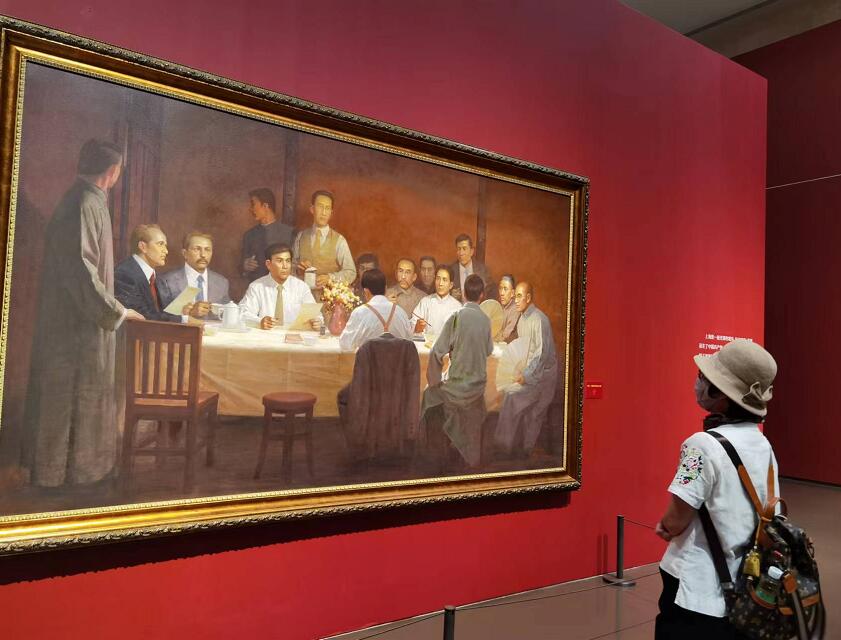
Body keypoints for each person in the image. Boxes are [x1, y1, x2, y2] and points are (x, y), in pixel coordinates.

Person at [23, 139, 143, 487]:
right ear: (113, 171)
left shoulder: (89, 200)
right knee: (66, 397)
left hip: (83, 322)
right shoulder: (83, 203)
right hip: (72, 325)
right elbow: (81, 272)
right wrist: (118, 312)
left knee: (84, 395)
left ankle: (82, 473)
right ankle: (60, 478)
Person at [655, 340, 779, 640]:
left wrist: (666, 526)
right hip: (747, 585)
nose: (699, 382)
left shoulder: (702, 444)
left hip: (697, 588)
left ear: (722, 395)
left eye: (705, 378)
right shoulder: (763, 443)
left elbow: (675, 520)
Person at [419, 274, 494, 468]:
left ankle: (436, 455)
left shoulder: (456, 317)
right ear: (482, 295)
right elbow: (489, 350)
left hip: (456, 388)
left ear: (464, 295)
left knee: (428, 396)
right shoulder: (485, 320)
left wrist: (435, 382)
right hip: (477, 388)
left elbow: (437, 352)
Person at [493, 282, 557, 456]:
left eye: (520, 296)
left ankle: (514, 448)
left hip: (543, 378)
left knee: (512, 397)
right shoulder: (522, 319)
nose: (516, 300)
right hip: (530, 373)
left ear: (528, 298)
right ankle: (505, 445)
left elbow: (541, 355)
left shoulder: (539, 319)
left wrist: (526, 375)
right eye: (515, 296)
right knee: (506, 392)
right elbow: (524, 350)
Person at [239, 243, 322, 330]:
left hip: (293, 336)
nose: (285, 266)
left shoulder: (301, 287)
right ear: (268, 264)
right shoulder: (256, 287)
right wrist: (259, 322)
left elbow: (316, 315)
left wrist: (317, 321)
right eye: (279, 261)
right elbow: (243, 314)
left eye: (288, 261)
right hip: (266, 336)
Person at [115, 224, 185, 323]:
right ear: (143, 247)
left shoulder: (155, 277)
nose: (166, 251)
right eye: (160, 244)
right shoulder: (125, 273)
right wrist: (183, 319)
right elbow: (143, 317)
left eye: (165, 245)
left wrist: (183, 311)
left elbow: (161, 312)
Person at [159, 231, 231, 320]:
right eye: (197, 249)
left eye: (207, 250)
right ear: (185, 253)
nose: (203, 255)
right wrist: (188, 314)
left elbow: (228, 315)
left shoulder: (222, 282)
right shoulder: (167, 281)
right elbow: (161, 318)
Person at [294, 190, 356, 292]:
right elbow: (290, 268)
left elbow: (351, 272)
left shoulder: (339, 240)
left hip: (329, 298)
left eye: (327, 208)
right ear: (312, 209)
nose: (323, 212)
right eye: (320, 206)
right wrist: (298, 270)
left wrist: (330, 278)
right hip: (303, 296)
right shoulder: (301, 237)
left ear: (331, 213)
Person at [339, 268, 413, 351]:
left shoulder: (359, 313)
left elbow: (345, 344)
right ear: (385, 288)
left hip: (368, 359)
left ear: (366, 291)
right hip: (397, 359)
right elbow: (410, 343)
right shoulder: (401, 312)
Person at [241, 188, 296, 282]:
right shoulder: (249, 235)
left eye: (253, 204)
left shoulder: (289, 233)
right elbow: (242, 268)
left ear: (265, 206)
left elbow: (294, 265)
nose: (250, 209)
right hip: (257, 286)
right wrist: (245, 265)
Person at [414, 264, 462, 335]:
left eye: (444, 280)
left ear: (451, 285)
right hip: (427, 342)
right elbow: (413, 324)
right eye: (438, 279)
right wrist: (417, 327)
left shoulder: (457, 307)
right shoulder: (425, 302)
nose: (440, 283)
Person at [449, 234, 492, 302]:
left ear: (471, 251)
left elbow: (489, 293)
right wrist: (450, 295)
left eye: (464, 249)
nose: (461, 253)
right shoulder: (450, 271)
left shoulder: (483, 270)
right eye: (459, 249)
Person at [496, 274, 520, 343]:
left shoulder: (515, 310)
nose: (501, 293)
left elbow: (505, 336)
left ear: (512, 293)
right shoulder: (499, 307)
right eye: (500, 288)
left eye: (505, 289)